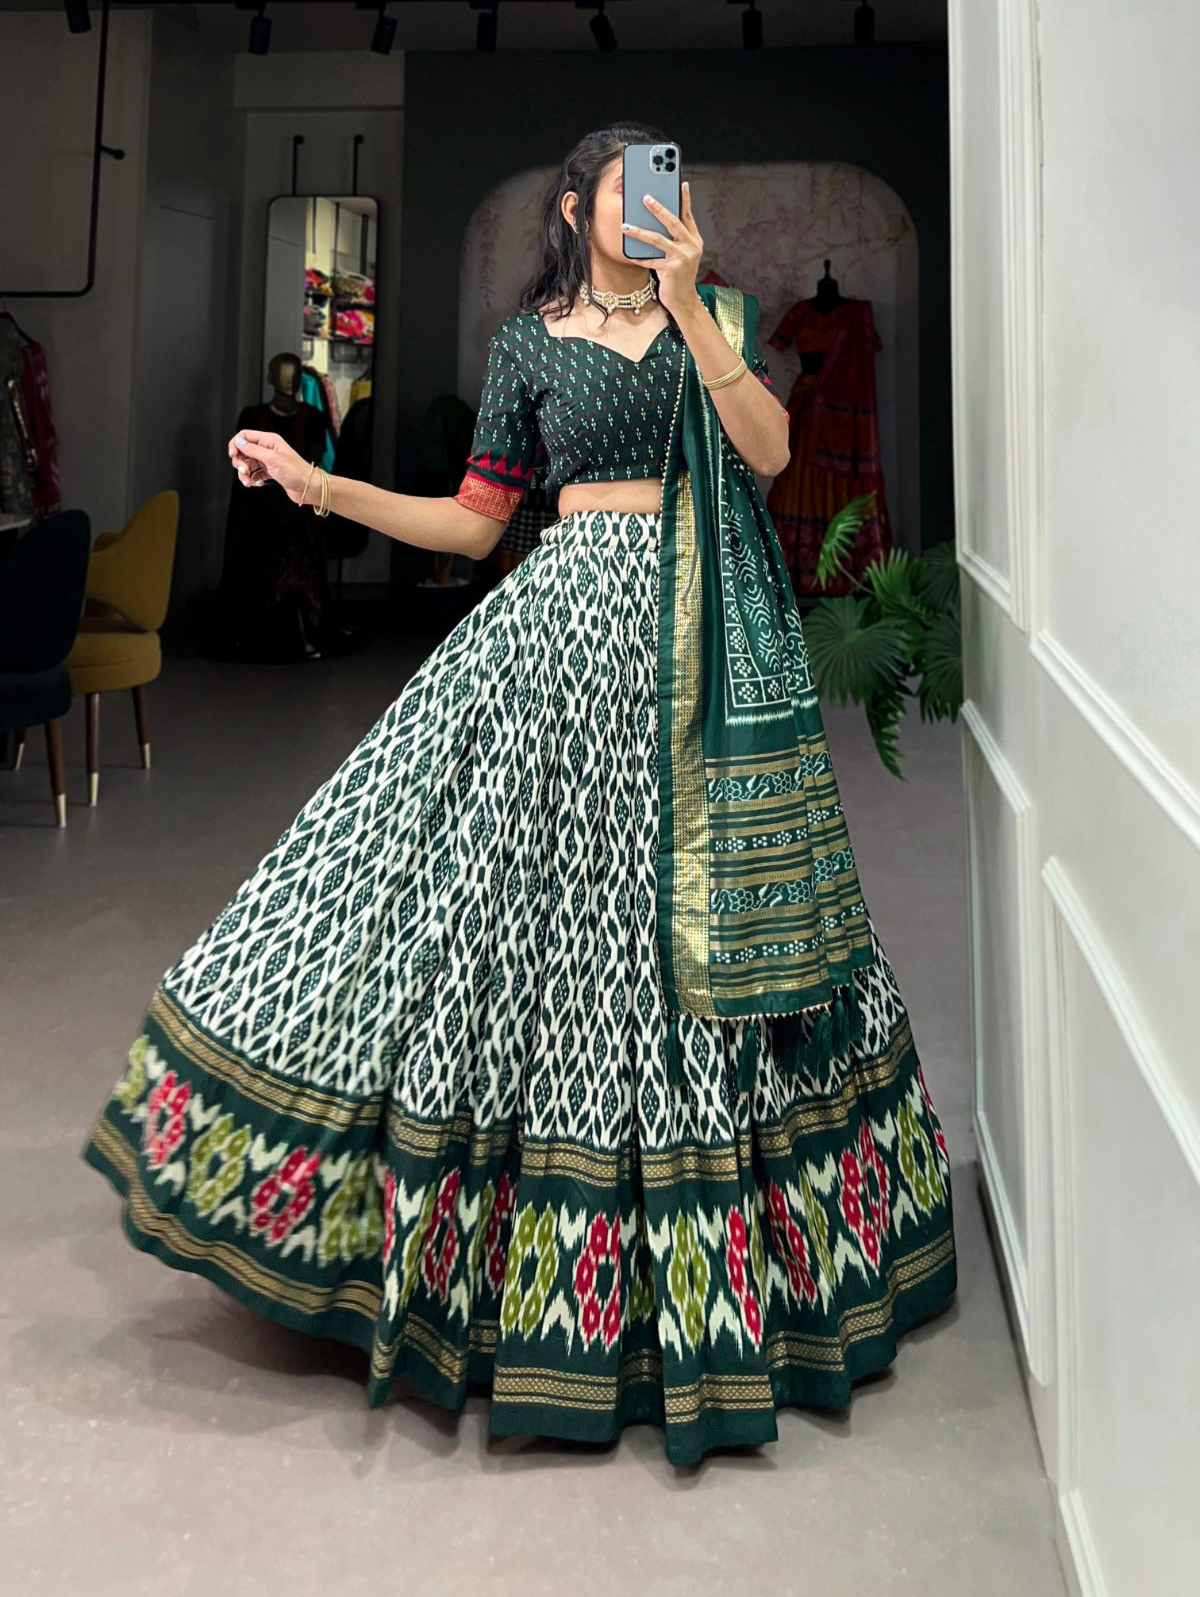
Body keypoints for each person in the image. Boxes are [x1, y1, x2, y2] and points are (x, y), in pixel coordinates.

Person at [81, 122, 957, 1467]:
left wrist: (692, 308)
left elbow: (773, 454)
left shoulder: (714, 315)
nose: (655, 202)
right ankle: (497, 1271)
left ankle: (723, 1277)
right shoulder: (527, 346)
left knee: (677, 932)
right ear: (575, 205)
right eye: (629, 185)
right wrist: (322, 485)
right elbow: (477, 522)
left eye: (668, 184)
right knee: (497, 911)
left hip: (700, 666)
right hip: (556, 650)